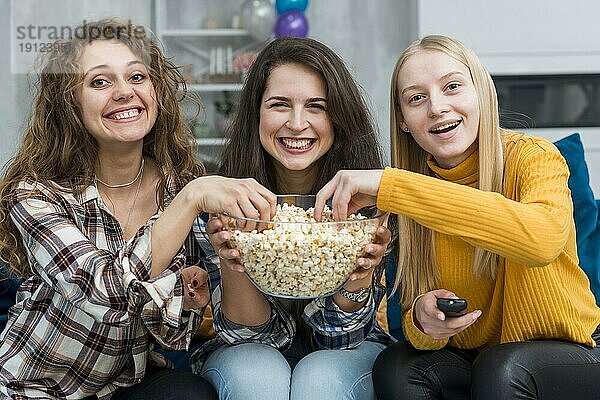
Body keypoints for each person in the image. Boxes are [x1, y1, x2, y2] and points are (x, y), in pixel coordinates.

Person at [0, 18, 276, 400]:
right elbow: (106, 294)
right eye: (99, 82)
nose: (123, 93)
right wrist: (189, 204)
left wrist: (202, 284)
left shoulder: (177, 186)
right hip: (35, 389)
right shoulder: (35, 194)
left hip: (124, 384)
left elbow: (183, 324)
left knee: (188, 393)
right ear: (69, 104)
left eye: (137, 77)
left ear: (156, 90)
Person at [314, 34, 600, 399]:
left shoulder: (534, 157)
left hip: (575, 351)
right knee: (398, 365)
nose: (437, 107)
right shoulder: (410, 194)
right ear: (403, 121)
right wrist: (424, 318)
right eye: (417, 98)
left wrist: (396, 186)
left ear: (480, 92)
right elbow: (414, 326)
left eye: (452, 87)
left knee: (503, 368)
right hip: (478, 358)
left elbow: (540, 240)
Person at [187, 37, 395, 400]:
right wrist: (233, 260)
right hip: (246, 348)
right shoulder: (222, 200)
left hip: (347, 348)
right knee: (257, 378)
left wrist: (357, 278)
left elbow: (339, 337)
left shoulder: (365, 198)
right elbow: (250, 337)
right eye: (279, 105)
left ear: (340, 116)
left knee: (320, 379)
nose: (297, 124)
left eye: (316, 106)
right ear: (256, 113)